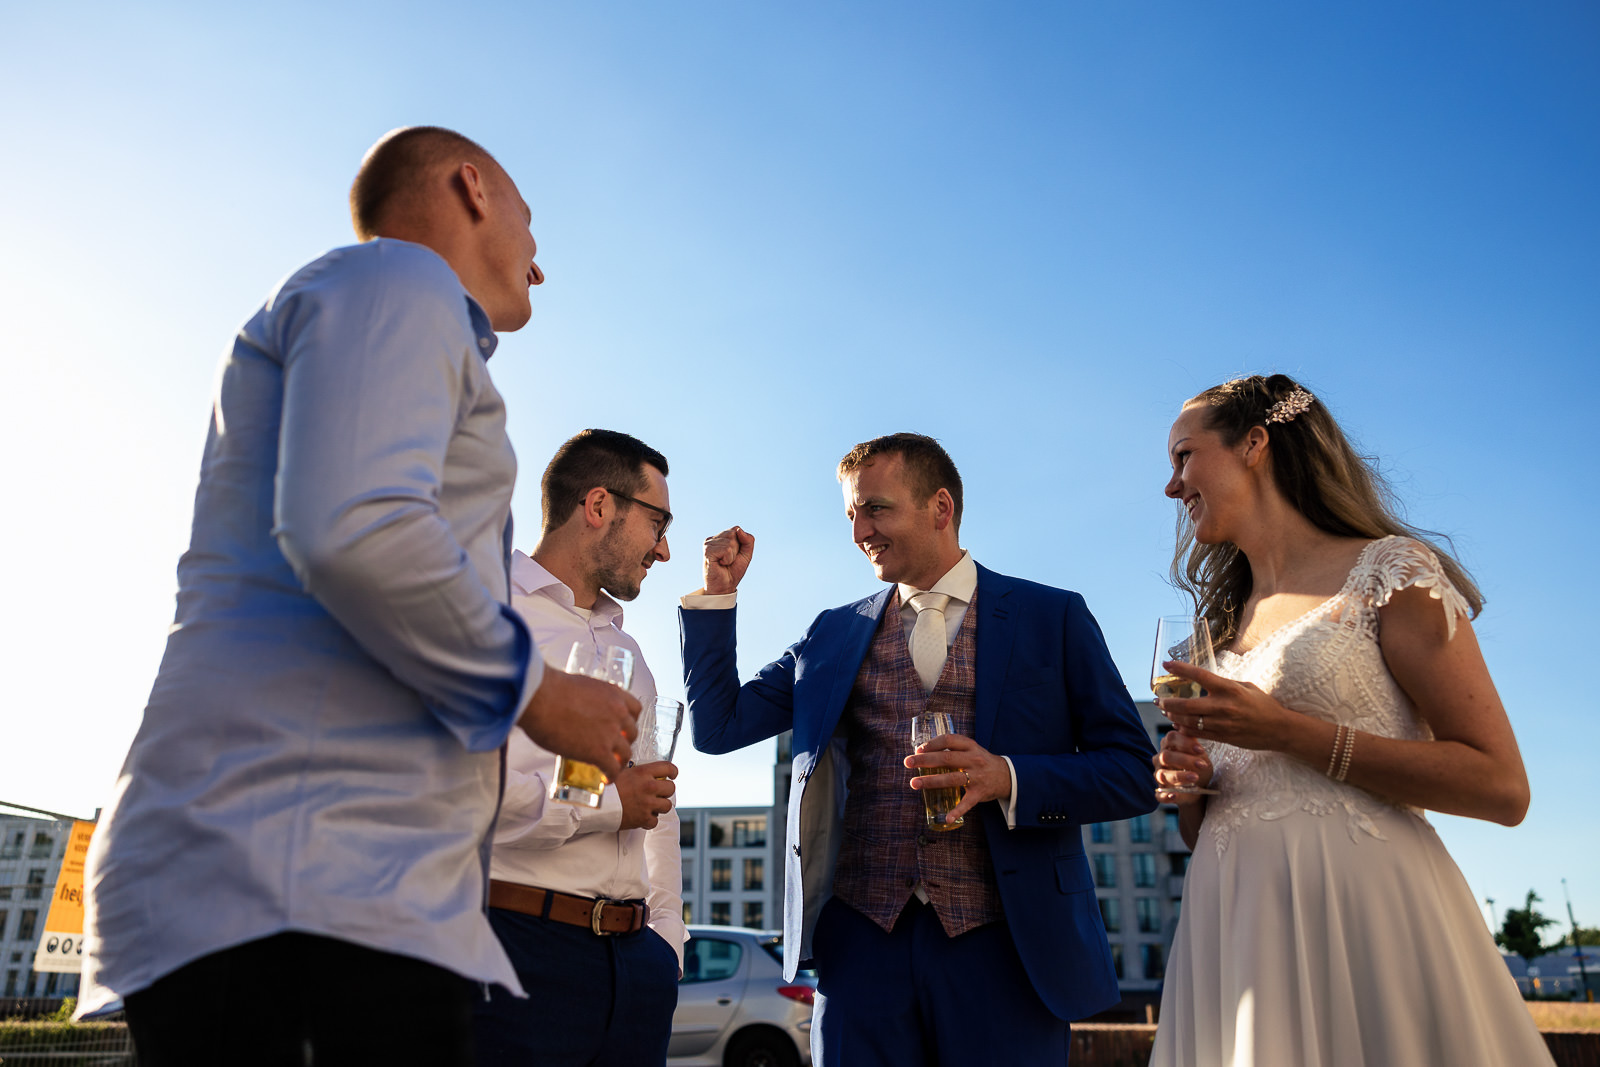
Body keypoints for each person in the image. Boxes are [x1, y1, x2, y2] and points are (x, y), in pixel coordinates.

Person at [77, 128, 641, 1065]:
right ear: (471, 188)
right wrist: (538, 697)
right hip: (296, 886)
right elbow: (357, 522)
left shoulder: (379, 306)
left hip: (328, 884)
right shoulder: (402, 282)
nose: (540, 264)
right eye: (531, 222)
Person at [681, 432, 1157, 1067]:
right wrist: (717, 595)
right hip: (863, 943)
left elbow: (1132, 773)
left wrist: (1008, 777)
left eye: (875, 509)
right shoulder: (833, 632)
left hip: (1009, 944)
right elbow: (718, 727)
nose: (859, 533)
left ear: (941, 507)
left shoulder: (1054, 616)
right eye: (851, 514)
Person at [1149, 374, 1553, 1066]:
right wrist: (1193, 786)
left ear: (1253, 444)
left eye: (1184, 457)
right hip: (1233, 931)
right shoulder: (1212, 632)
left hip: (1365, 914)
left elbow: (1502, 787)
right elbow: (1205, 826)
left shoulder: (1389, 573)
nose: (1171, 485)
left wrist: (1286, 731)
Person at [473, 429, 685, 1066]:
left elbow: (659, 807)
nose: (665, 548)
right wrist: (605, 803)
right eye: (657, 522)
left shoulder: (631, 654)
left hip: (633, 971)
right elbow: (468, 796)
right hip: (514, 951)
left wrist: (666, 946)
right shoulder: (482, 614)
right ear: (598, 507)